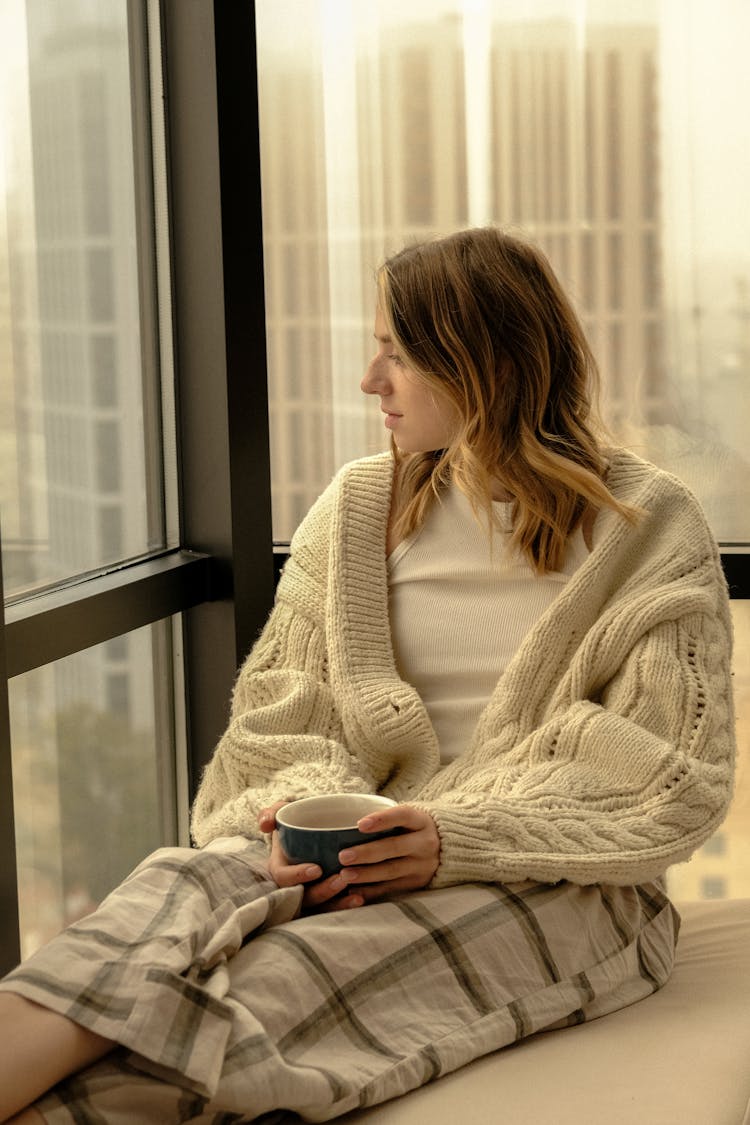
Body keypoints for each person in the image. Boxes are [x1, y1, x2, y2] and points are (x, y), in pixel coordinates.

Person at [0, 227, 735, 1124]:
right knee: (172, 890)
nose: (369, 379)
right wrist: (313, 823)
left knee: (280, 980)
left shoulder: (650, 526)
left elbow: (669, 771)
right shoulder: (356, 509)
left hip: (561, 883)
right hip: (358, 853)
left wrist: (449, 838)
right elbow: (280, 716)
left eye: (397, 353)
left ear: (480, 362)